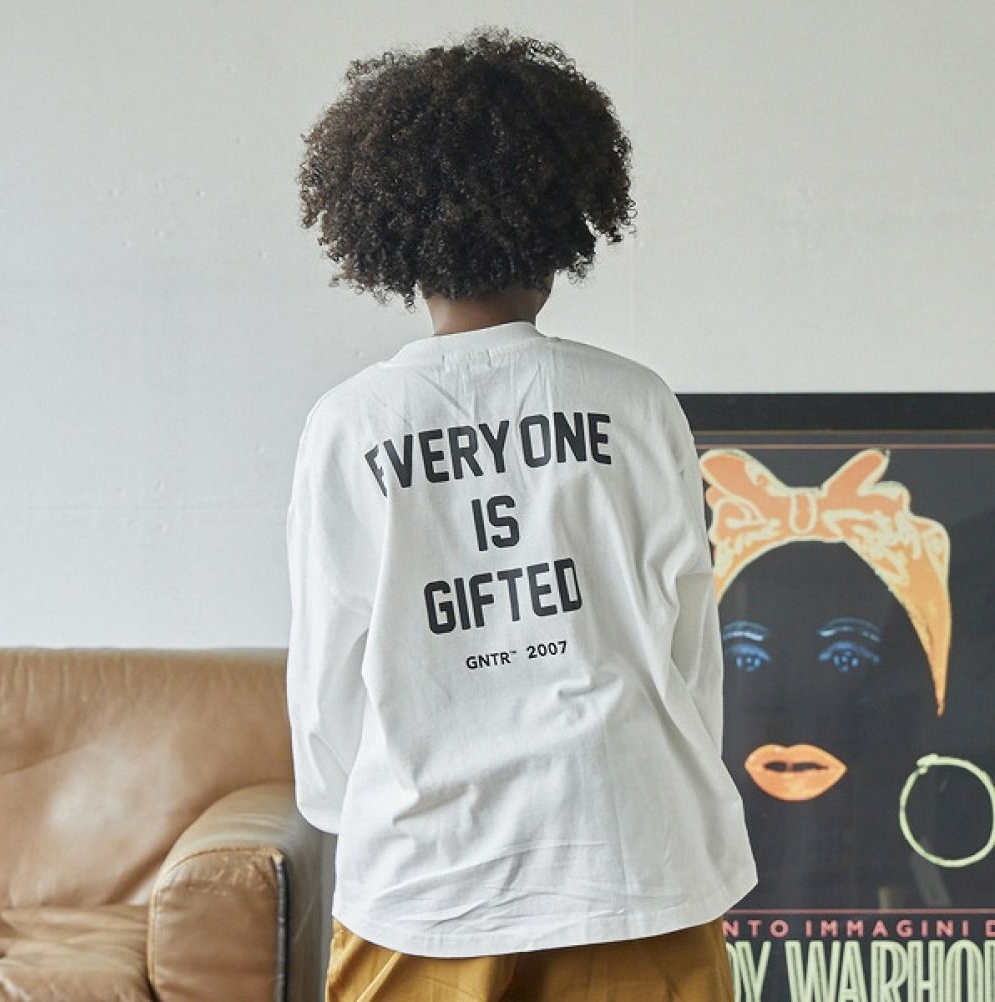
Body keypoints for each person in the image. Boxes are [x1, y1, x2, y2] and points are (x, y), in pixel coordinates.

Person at [286, 24, 758, 1001]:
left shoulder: (350, 425)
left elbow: (329, 674)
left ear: (397, 246)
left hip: (427, 881)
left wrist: (355, 810)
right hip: (635, 859)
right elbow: (688, 641)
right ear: (559, 227)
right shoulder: (636, 403)